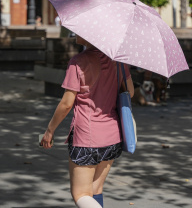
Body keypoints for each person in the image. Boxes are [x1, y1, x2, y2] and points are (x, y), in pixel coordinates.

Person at [41, 35, 134, 208]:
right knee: (95, 190)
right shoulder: (119, 60)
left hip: (86, 136)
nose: (73, 33)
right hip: (113, 135)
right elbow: (130, 92)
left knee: (81, 194)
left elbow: (67, 103)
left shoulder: (79, 62)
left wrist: (50, 130)